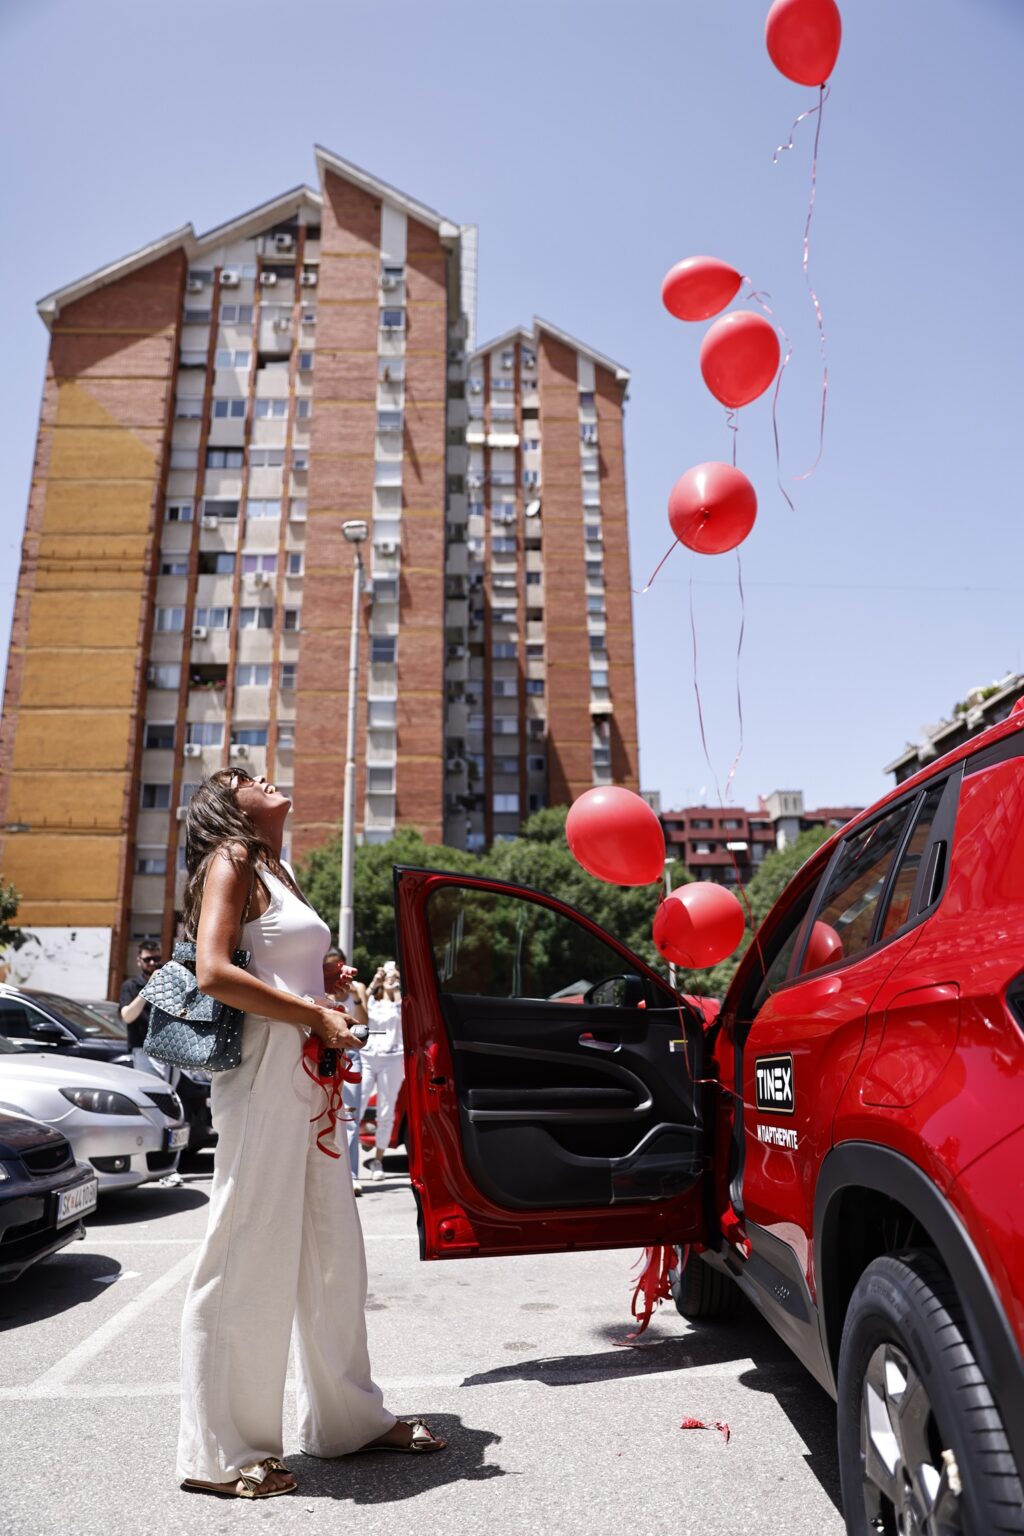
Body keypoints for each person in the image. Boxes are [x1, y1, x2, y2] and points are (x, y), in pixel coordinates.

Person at [177, 769, 445, 1502]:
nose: (262, 776)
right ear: (228, 807)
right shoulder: (230, 859)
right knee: (247, 1250)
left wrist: (323, 978)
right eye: (243, 777)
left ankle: (346, 1420)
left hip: (307, 1076)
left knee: (333, 1256)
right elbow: (213, 971)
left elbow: (273, 962)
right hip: (266, 1075)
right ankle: (223, 1454)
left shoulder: (276, 868)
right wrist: (313, 1014)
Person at [323, 947, 368, 1196]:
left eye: (339, 965)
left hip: (351, 1055)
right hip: (324, 1054)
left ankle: (351, 1175)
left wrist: (355, 998)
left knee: (350, 1115)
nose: (337, 970)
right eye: (331, 965)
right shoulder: (317, 986)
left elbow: (364, 1024)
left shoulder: (356, 988)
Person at [360, 961, 405, 1183]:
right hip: (367, 1057)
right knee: (356, 1106)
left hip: (393, 1058)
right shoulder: (373, 1001)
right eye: (388, 974)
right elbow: (359, 1009)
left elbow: (402, 1016)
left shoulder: (401, 1003)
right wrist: (374, 982)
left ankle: (378, 1159)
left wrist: (396, 987)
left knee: (386, 1111)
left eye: (394, 975)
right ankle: (348, 1161)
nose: (390, 977)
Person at [119, 940, 178, 1083]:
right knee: (150, 1092)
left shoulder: (169, 984)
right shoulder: (131, 986)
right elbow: (127, 1016)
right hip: (143, 1050)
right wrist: (150, 988)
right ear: (139, 961)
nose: (152, 963)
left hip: (168, 1050)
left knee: (169, 1095)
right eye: (147, 959)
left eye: (156, 959)